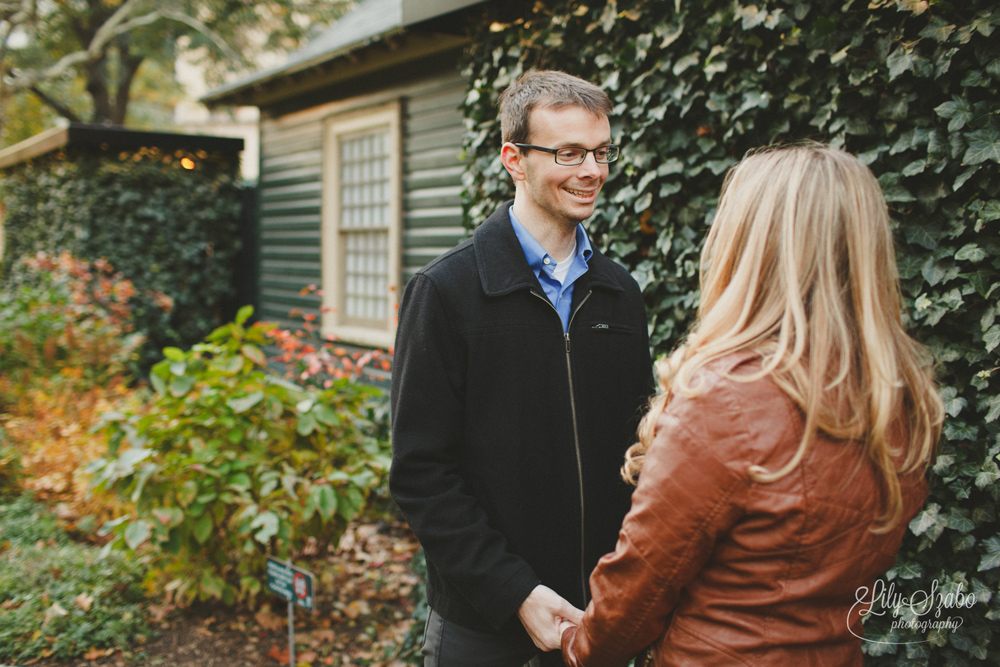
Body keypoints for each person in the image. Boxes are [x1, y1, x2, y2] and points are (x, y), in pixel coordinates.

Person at [558, 143, 944, 666]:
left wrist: (578, 645)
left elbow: (642, 584)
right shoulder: (899, 397)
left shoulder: (730, 396)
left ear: (749, 245)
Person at [389, 69, 653, 666]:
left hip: (600, 617)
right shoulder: (446, 291)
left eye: (601, 152)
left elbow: (641, 452)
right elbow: (420, 473)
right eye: (569, 152)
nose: (592, 170)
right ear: (514, 158)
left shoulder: (620, 294)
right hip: (484, 627)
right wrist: (515, 593)